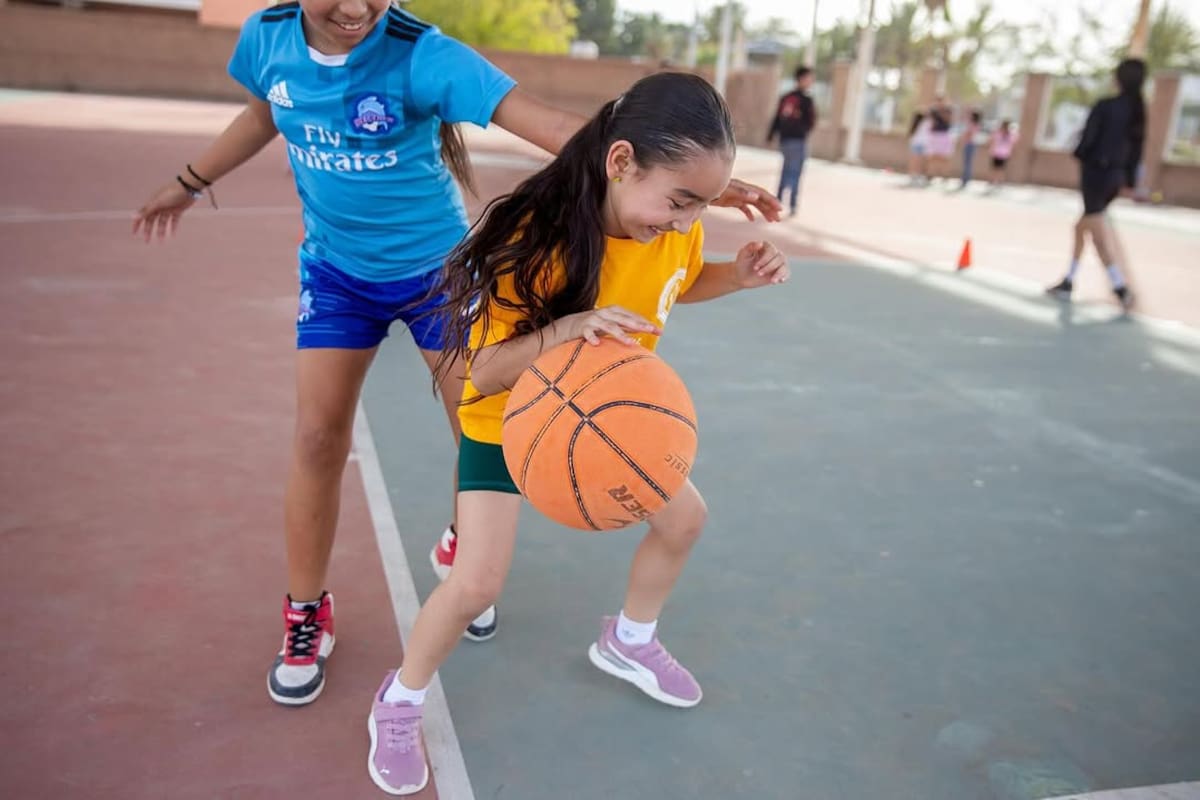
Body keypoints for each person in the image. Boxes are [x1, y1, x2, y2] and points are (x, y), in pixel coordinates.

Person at [130, 0, 782, 710]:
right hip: (336, 270)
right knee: (318, 438)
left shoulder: (422, 53)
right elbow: (265, 113)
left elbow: (562, 129)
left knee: (484, 422)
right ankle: (307, 610)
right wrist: (189, 182)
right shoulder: (266, 40)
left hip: (438, 271)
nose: (354, 8)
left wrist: (689, 186)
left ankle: (465, 546)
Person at [366, 72, 790, 795]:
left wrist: (735, 277)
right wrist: (565, 330)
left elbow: (680, 283)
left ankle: (628, 641)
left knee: (684, 520)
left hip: (607, 421)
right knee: (474, 585)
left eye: (702, 205)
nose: (688, 221)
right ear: (621, 162)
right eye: (681, 201)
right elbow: (483, 373)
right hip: (509, 423)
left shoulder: (668, 234)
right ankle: (399, 700)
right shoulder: (538, 244)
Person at [1046, 58, 1145, 311]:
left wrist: (1080, 154)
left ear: (1119, 78)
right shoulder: (1137, 111)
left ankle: (1120, 287)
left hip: (1096, 176)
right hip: (1115, 178)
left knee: (1097, 234)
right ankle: (1068, 281)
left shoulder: (1106, 106)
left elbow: (1089, 138)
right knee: (1082, 228)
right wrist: (1129, 180)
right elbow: (1137, 150)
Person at [766, 66, 818, 216]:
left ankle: (778, 201)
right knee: (795, 173)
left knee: (785, 170)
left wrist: (770, 135)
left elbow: (777, 118)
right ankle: (792, 204)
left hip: (785, 140)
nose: (811, 82)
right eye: (809, 78)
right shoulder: (806, 100)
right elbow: (812, 121)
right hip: (798, 140)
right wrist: (803, 130)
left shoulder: (786, 97)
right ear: (801, 79)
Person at [926, 95, 955, 181]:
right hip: (934, 135)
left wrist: (942, 111)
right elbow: (931, 121)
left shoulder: (948, 110)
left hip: (944, 135)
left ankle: (945, 175)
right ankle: (930, 174)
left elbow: (949, 120)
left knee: (944, 157)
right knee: (932, 156)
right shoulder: (933, 111)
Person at [988, 119, 1017, 189]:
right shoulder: (999, 133)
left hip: (1003, 154)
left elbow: (1013, 142)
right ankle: (993, 180)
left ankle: (998, 181)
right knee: (995, 168)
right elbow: (992, 139)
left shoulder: (1009, 135)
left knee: (1000, 169)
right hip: (997, 152)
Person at [958, 109, 983, 190]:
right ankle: (965, 179)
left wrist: (963, 139)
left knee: (967, 163)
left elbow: (968, 134)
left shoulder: (972, 125)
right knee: (968, 163)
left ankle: (965, 180)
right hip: (971, 144)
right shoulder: (976, 125)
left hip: (969, 144)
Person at [907, 108, 930, 185]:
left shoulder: (920, 123)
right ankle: (915, 176)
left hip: (918, 143)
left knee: (917, 161)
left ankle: (915, 176)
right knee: (918, 161)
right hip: (920, 144)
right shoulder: (926, 123)